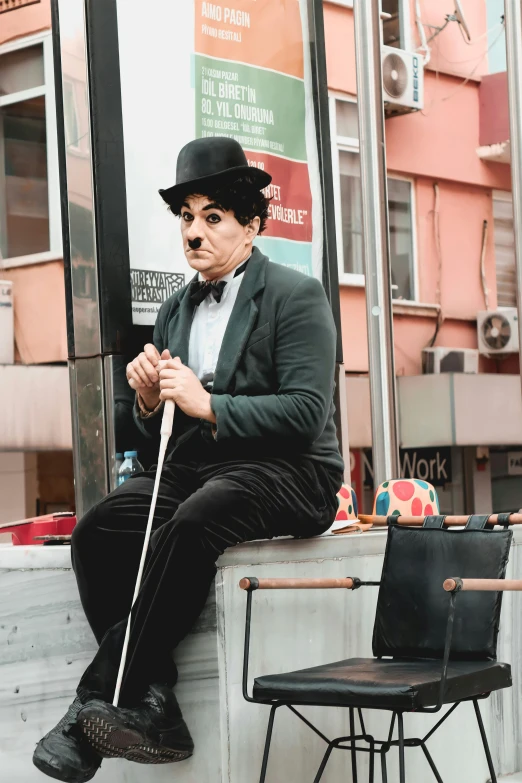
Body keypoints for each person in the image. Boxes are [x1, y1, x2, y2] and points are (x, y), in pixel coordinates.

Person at [33, 137, 344, 782]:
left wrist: (207, 404)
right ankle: (155, 700)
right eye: (186, 217)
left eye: (212, 217)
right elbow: (163, 437)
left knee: (199, 517)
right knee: (97, 531)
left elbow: (306, 413)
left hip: (293, 472)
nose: (194, 233)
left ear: (252, 223)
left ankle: (96, 702)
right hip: (203, 468)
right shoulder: (175, 307)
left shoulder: (296, 294)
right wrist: (148, 403)